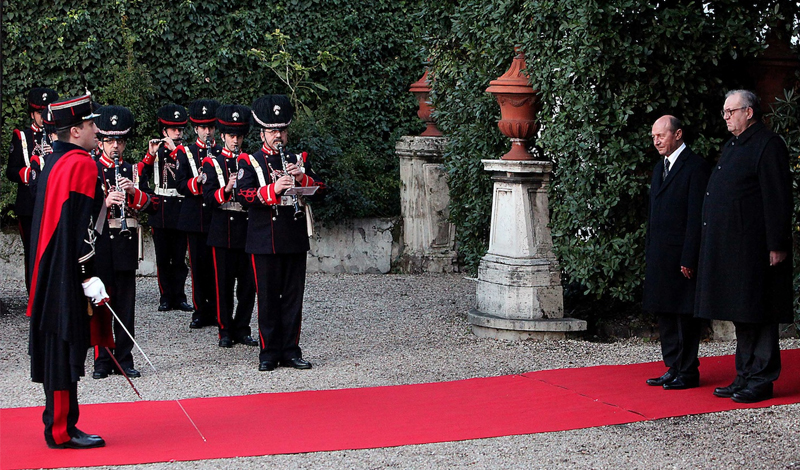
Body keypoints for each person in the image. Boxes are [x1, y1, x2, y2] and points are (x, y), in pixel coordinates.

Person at [695, 90, 793, 404]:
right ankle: (744, 375)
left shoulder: (767, 144)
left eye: (730, 111)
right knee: (742, 313)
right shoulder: (734, 145)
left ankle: (761, 380)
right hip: (734, 247)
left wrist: (776, 243)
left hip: (756, 246)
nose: (725, 117)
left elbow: (777, 197)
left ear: (748, 112)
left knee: (760, 313)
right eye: (724, 112)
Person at [27, 93, 111, 449]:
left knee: (57, 348)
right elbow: (82, 228)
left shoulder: (55, 161)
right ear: (75, 130)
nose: (97, 130)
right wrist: (87, 273)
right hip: (66, 271)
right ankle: (60, 430)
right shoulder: (82, 164)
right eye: (92, 125)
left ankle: (62, 424)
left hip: (48, 268)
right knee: (63, 349)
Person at [238, 95, 325, 371]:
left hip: (294, 236)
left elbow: (321, 189)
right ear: (263, 132)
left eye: (283, 130)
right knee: (267, 297)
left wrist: (301, 178)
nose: (279, 136)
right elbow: (243, 195)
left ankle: (290, 350)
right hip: (264, 238)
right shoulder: (249, 161)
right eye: (274, 131)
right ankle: (268, 352)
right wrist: (272, 190)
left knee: (292, 298)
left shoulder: (297, 159)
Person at [643, 115, 711, 390]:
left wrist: (689, 256)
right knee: (665, 312)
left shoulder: (696, 167)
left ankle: (687, 370)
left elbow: (697, 217)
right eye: (654, 137)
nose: (656, 141)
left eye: (661, 135)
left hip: (682, 256)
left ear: (678, 134)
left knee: (684, 314)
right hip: (660, 254)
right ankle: (672, 366)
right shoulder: (660, 168)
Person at [91, 105, 154, 380]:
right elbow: (83, 210)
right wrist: (105, 203)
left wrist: (132, 191)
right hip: (102, 240)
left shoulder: (131, 169)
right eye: (110, 141)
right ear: (101, 142)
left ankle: (124, 357)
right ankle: (102, 360)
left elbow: (148, 203)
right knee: (102, 300)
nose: (115, 146)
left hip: (127, 241)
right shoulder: (90, 168)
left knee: (126, 303)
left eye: (120, 141)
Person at [202, 104, 258, 348]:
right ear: (222, 136)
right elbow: (207, 198)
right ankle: (224, 329)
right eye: (231, 136)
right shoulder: (211, 163)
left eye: (239, 136)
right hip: (223, 228)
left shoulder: (251, 162)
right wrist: (225, 189)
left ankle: (243, 327)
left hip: (247, 229)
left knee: (248, 285)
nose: (236, 141)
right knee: (223, 285)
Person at [6, 87, 59, 292]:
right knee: (32, 250)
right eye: (40, 112)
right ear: (32, 114)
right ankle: (34, 295)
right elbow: (11, 171)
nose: (44, 116)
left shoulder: (58, 136)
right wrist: (32, 172)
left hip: (53, 201)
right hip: (29, 204)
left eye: (48, 112)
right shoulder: (22, 136)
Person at [141, 104, 193, 313]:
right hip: (161, 209)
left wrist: (177, 150)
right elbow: (140, 175)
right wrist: (149, 154)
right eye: (173, 129)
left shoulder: (185, 152)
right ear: (164, 132)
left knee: (179, 258)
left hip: (181, 208)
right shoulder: (157, 151)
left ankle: (179, 296)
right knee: (163, 258)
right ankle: (165, 297)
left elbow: (192, 169)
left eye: (180, 129)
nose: (178, 133)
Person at [176, 99, 221, 329]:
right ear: (195, 128)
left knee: (218, 267)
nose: (208, 131)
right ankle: (200, 310)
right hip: (195, 217)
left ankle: (218, 310)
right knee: (198, 266)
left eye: (211, 127)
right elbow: (180, 184)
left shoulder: (222, 152)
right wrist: (198, 181)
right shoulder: (186, 153)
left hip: (216, 217)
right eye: (203, 127)